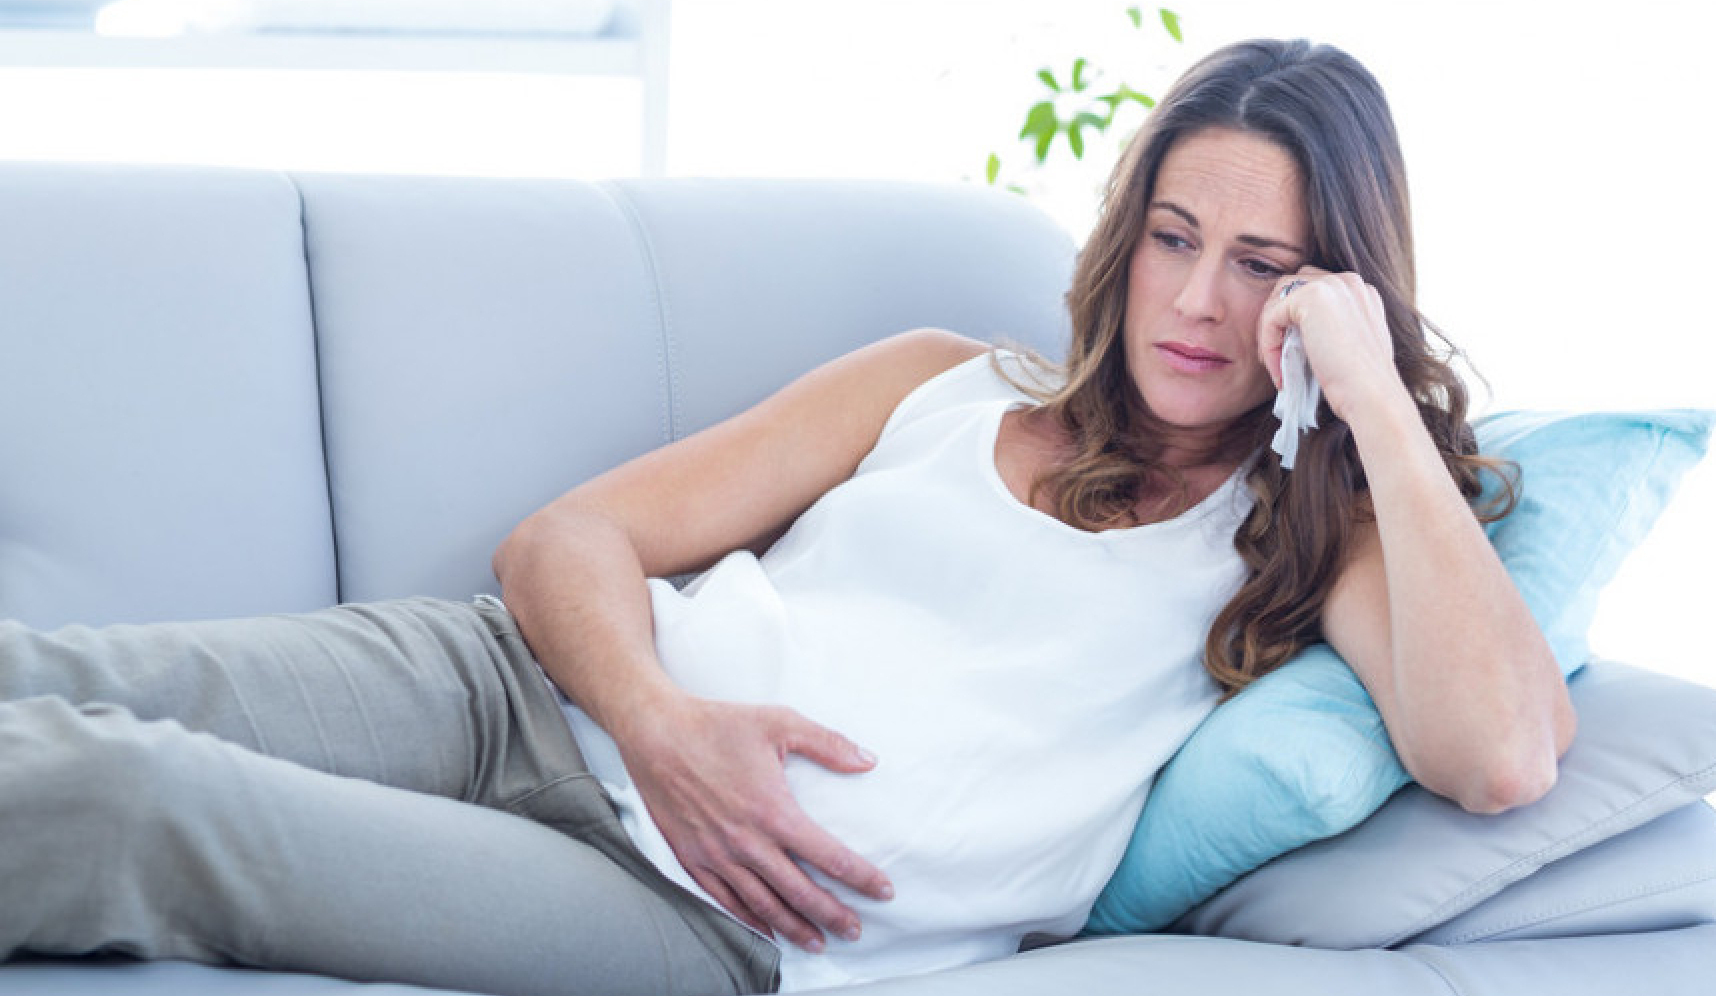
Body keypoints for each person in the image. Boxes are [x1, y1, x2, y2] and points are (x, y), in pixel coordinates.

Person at [0, 37, 1574, 996]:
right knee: (73, 679)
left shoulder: (1310, 549)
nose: (1195, 300)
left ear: (1334, 289)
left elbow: (1502, 752)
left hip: (692, 913)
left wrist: (1369, 395)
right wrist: (667, 728)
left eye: (1263, 266)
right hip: (516, 684)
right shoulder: (948, 383)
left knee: (131, 801)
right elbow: (565, 544)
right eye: (1173, 236)